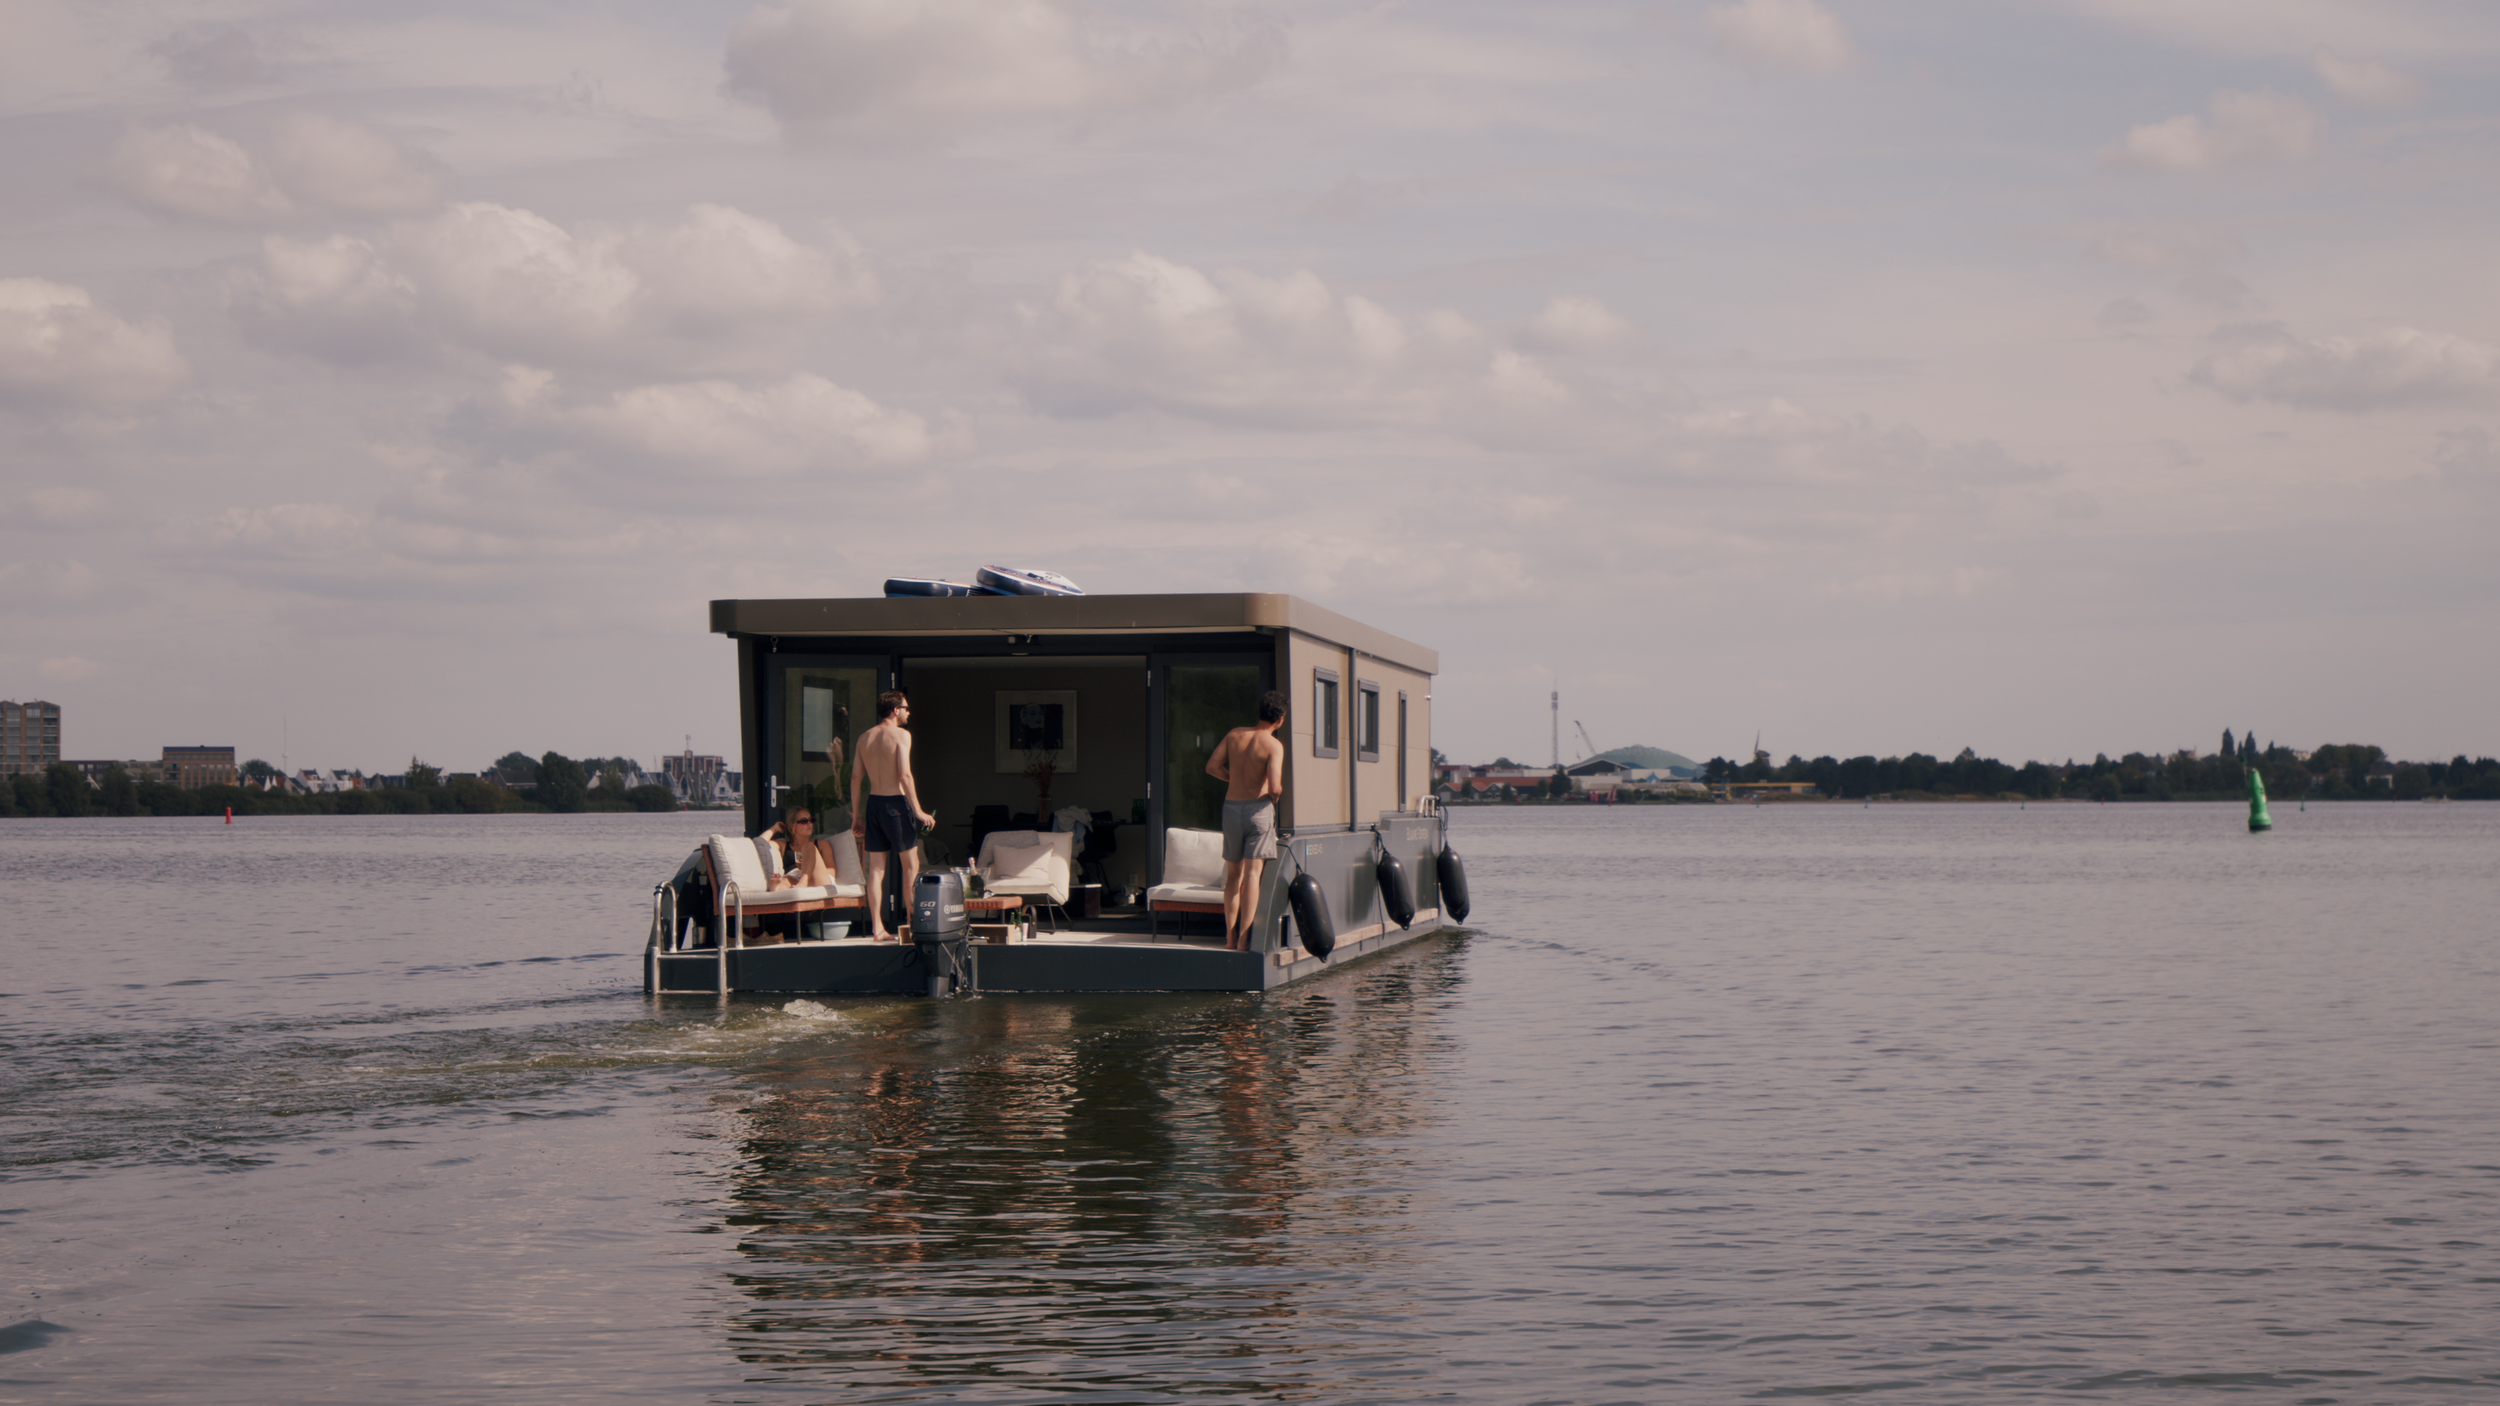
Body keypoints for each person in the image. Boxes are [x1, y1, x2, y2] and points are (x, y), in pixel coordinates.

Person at [1204, 689, 1287, 951]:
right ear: (1280, 719)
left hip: (1231, 808)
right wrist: (1273, 797)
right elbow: (1274, 787)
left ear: (1260, 712)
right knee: (1252, 875)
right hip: (1258, 810)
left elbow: (1212, 767)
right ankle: (1244, 939)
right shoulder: (1274, 745)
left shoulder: (1235, 734)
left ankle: (1228, 938)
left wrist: (1235, 779)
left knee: (1233, 875)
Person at [851, 690, 936, 941]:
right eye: (906, 708)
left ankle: (878, 929)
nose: (908, 712)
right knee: (911, 865)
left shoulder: (864, 737)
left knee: (876, 869)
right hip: (896, 806)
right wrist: (918, 810)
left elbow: (856, 778)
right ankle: (912, 926)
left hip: (873, 804)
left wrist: (857, 815)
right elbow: (904, 776)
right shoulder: (901, 735)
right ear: (894, 710)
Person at [763, 804, 839, 890]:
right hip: (795, 880)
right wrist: (775, 828)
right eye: (804, 821)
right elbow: (761, 843)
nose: (809, 824)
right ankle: (777, 889)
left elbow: (832, 872)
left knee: (809, 846)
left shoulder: (821, 843)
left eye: (811, 820)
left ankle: (803, 882)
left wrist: (808, 868)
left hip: (819, 881)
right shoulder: (784, 845)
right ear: (792, 826)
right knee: (785, 880)